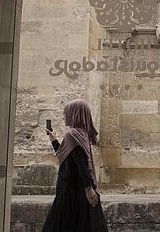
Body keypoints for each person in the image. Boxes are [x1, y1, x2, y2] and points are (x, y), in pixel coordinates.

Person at [43, 99, 108, 232]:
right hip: (78, 186)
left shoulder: (71, 135)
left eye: (67, 113)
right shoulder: (82, 134)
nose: (64, 116)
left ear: (75, 114)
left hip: (70, 187)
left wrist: (88, 188)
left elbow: (81, 163)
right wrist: (53, 139)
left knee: (60, 223)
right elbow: (65, 156)